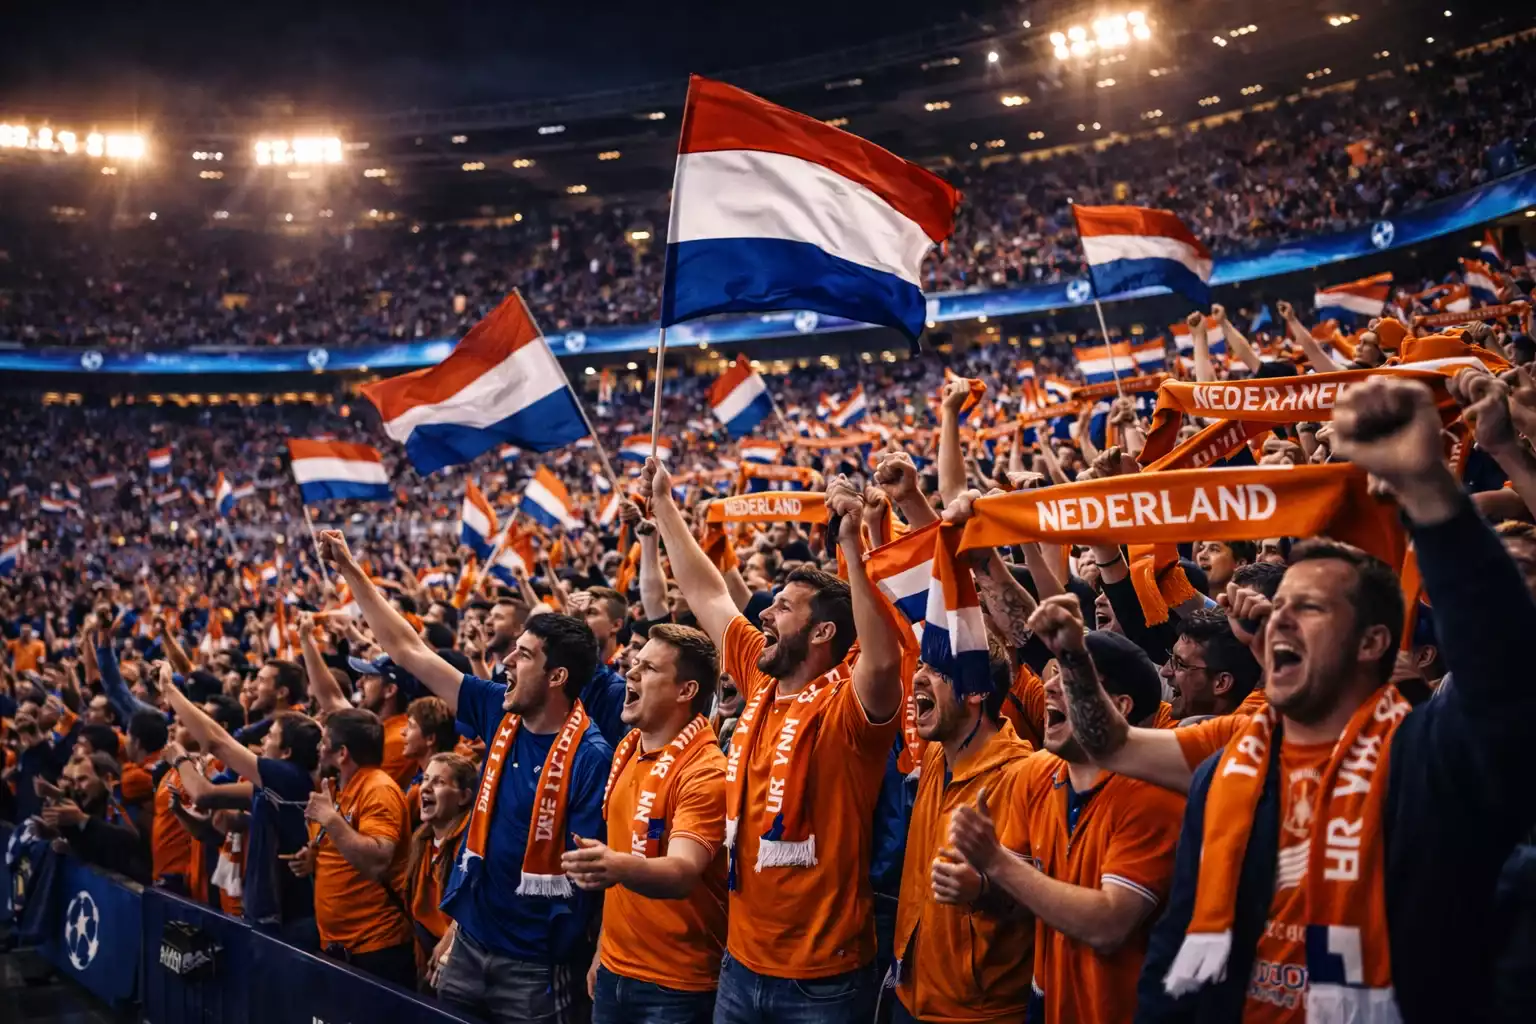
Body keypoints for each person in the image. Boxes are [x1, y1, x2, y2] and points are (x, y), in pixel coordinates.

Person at [1130, 377, 1536, 1023]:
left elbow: (1504, 666)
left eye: (1310, 608)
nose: (1278, 619)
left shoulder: (1431, 757)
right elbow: (1174, 957)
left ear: (1374, 640)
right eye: (1279, 605)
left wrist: (1428, 492)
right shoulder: (1225, 776)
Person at [641, 459, 905, 1023]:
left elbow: (884, 660)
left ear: (823, 631)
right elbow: (708, 593)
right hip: (739, 965)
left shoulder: (850, 709)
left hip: (823, 982)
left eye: (784, 607)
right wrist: (664, 504)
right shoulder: (760, 677)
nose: (766, 611)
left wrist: (854, 548)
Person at [318, 527, 613, 1024]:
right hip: (469, 944)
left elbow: (593, 878)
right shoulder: (499, 710)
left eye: (524, 655)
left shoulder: (591, 757)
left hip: (535, 968)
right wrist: (351, 572)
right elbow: (409, 650)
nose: (506, 662)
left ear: (558, 677)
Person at [949, 605, 1184, 1024]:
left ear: (1120, 706)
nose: (1049, 687)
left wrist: (996, 862)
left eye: (1070, 679)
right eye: (1051, 673)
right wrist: (979, 886)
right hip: (1047, 1000)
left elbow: (1109, 927)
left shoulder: (1154, 794)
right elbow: (1017, 898)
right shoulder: (1036, 773)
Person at [562, 623, 727, 1024]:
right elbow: (622, 873)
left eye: (649, 669)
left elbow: (682, 871)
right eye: (634, 664)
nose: (630, 674)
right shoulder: (627, 748)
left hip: (676, 987)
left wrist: (615, 867)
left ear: (686, 691)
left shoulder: (706, 772)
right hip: (615, 970)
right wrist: (604, 949)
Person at [891, 641, 1037, 1024]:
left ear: (976, 692)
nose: (918, 676)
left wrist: (984, 888)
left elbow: (1046, 892)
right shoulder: (939, 754)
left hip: (979, 1013)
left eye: (938, 672)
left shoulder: (1022, 777)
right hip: (909, 994)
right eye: (921, 665)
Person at [153, 663, 322, 943]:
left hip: (285, 922)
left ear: (287, 752)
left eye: (272, 737)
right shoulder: (270, 785)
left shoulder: (289, 777)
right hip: (262, 912)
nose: (263, 741)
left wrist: (180, 758)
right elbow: (217, 804)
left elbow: (206, 785)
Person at [300, 708, 414, 987]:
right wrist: (313, 857)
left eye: (324, 742)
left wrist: (329, 818)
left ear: (343, 754)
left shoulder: (378, 789)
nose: (318, 749)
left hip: (376, 947)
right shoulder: (336, 789)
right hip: (338, 944)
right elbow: (341, 848)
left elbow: (377, 860)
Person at [406, 752, 476, 987]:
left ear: (464, 796)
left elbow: (473, 907)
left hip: (461, 959)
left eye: (439, 782)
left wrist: (450, 944)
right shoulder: (421, 839)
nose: (426, 788)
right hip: (427, 951)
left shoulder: (471, 846)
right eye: (425, 779)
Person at [1162, 609, 1262, 720]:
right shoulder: (1162, 716)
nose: (1165, 672)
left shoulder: (1238, 735)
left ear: (1221, 683)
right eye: (1172, 657)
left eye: (1180, 664)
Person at [402, 695, 459, 824]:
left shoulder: (440, 789)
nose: (403, 732)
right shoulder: (418, 774)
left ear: (430, 739)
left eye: (411, 726)